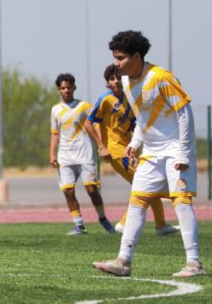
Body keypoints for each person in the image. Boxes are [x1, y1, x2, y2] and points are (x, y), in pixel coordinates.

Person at [93, 30, 204, 278]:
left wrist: (184, 153)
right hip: (151, 153)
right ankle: (123, 261)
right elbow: (141, 117)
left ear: (136, 56)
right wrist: (135, 142)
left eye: (120, 58)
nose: (116, 63)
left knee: (181, 203)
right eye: (114, 57)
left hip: (175, 149)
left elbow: (184, 113)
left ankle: (194, 263)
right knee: (137, 202)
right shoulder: (125, 81)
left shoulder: (161, 77)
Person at [83, 64, 177, 236]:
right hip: (116, 151)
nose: (116, 81)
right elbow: (88, 123)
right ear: (108, 82)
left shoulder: (130, 97)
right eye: (112, 79)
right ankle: (125, 224)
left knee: (150, 185)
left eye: (118, 77)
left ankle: (160, 225)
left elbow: (136, 124)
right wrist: (101, 146)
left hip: (129, 150)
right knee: (148, 184)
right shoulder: (105, 100)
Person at [49, 73, 116, 235]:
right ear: (59, 90)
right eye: (63, 88)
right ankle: (79, 225)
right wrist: (52, 154)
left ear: (74, 88)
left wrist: (101, 145)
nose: (66, 90)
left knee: (92, 190)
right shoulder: (55, 110)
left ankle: (102, 218)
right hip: (65, 156)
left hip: (84, 155)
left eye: (69, 87)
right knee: (68, 191)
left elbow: (95, 125)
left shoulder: (84, 107)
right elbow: (55, 133)